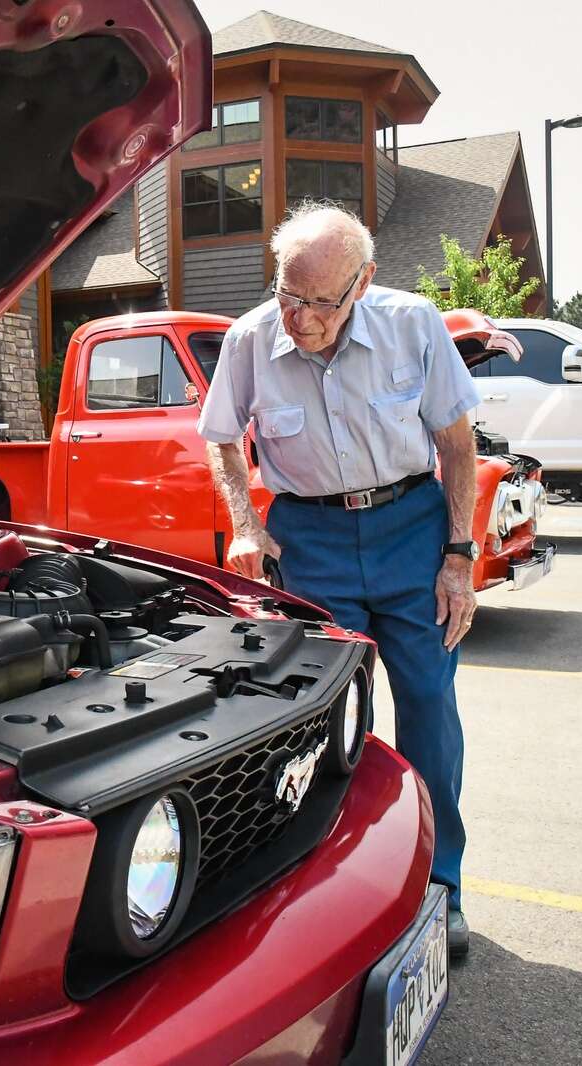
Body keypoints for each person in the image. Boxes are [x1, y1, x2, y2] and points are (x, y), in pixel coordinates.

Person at [199, 203, 480, 959]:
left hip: (410, 530)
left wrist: (460, 555)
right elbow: (223, 442)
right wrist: (247, 527)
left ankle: (438, 883)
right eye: (289, 295)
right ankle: (323, 889)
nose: (300, 317)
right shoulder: (250, 338)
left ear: (364, 283)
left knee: (428, 706)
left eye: (321, 302)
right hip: (311, 537)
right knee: (318, 717)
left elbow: (457, 445)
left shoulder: (413, 324)